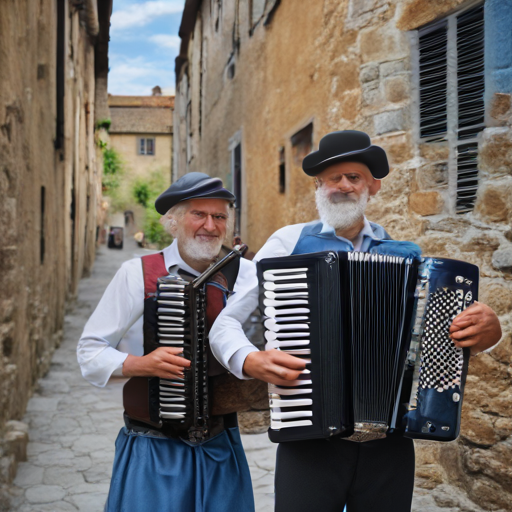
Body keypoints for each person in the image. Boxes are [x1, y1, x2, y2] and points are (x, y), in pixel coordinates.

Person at [209, 130, 503, 512]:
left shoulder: (407, 258)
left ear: (373, 187)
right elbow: (226, 325)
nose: (344, 185)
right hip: (309, 436)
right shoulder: (289, 243)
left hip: (390, 442)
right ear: (319, 185)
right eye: (334, 177)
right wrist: (248, 359)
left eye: (354, 177)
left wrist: (487, 333)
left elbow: (443, 339)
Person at [77, 172, 255, 512]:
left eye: (219, 216)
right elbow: (89, 353)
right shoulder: (137, 273)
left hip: (221, 446)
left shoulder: (245, 274)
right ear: (173, 222)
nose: (210, 225)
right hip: (153, 449)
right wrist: (142, 364)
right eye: (198, 214)